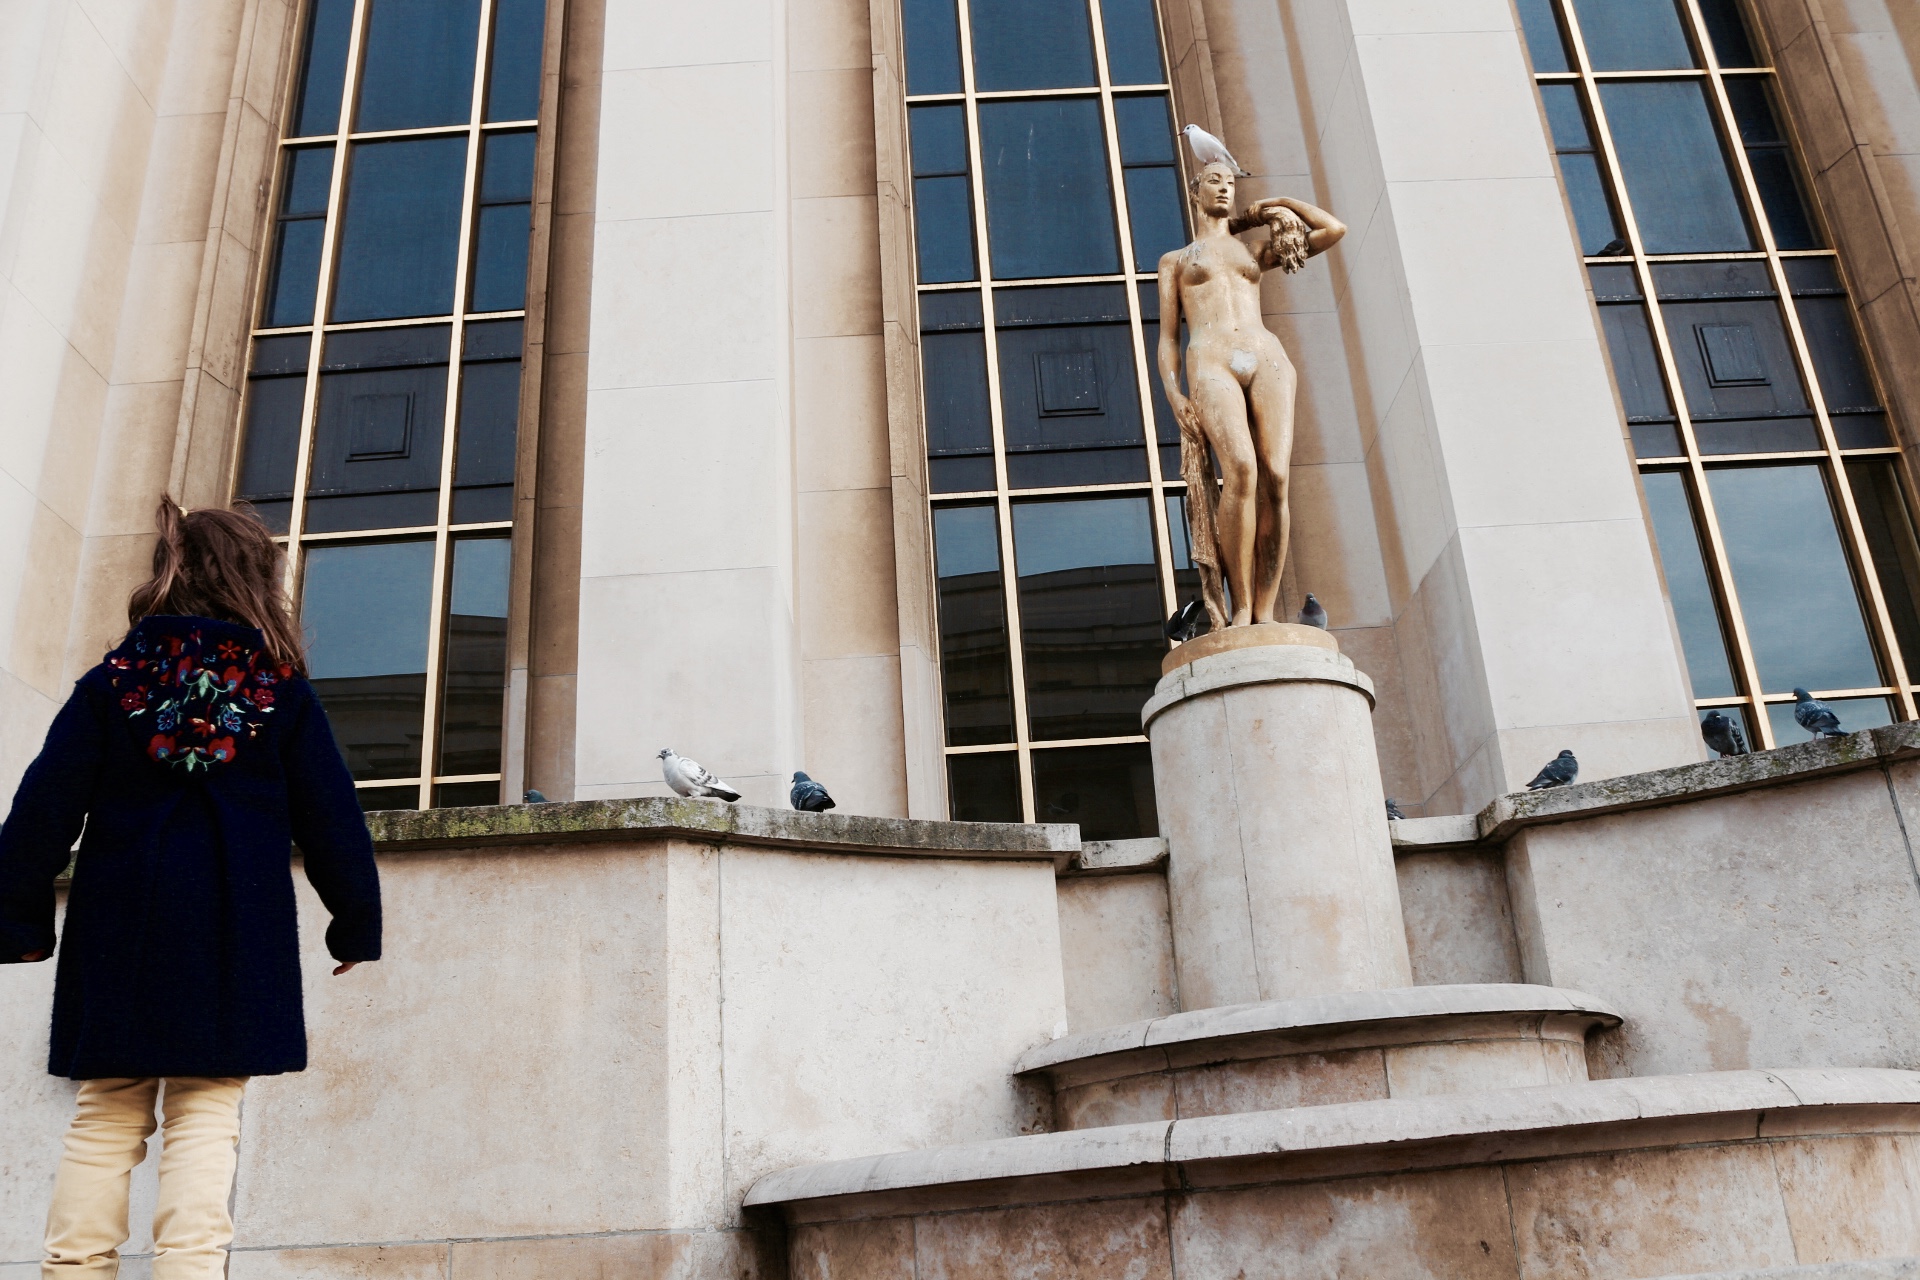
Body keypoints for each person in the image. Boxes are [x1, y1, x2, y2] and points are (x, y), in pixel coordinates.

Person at [0, 498, 381, 1279]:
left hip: (120, 926)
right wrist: (354, 926)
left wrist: (21, 923)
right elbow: (333, 819)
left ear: (169, 575)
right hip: (235, 929)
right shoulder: (282, 697)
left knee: (107, 1112)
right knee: (207, 1114)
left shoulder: (110, 685)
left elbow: (40, 809)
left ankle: (74, 1273)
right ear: (258, 581)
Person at [1157, 161, 1345, 629]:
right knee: (1240, 469)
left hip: (1265, 356)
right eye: (1214, 181)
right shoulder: (1177, 261)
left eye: (1231, 183)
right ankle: (1240, 606)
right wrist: (1173, 394)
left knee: (1276, 477)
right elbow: (1167, 339)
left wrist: (1276, 206)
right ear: (1195, 191)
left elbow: (1332, 229)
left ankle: (1264, 609)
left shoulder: (1253, 251)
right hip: (1211, 359)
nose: (1224, 188)